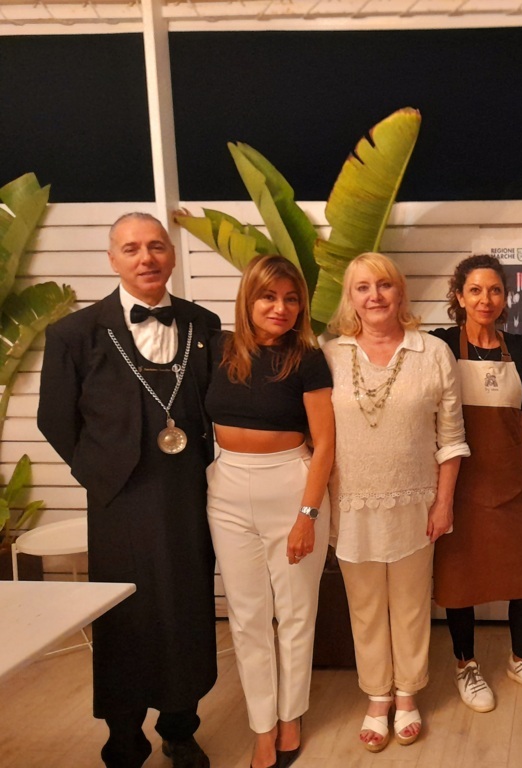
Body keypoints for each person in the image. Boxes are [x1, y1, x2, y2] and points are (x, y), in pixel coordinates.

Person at [37, 212, 219, 768]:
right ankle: (123, 735)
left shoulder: (203, 325)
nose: (146, 258)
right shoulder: (74, 333)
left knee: (186, 608)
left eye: (157, 246)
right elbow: (54, 418)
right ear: (112, 259)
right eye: (132, 248)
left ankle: (180, 729)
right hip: (118, 499)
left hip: (187, 493)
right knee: (124, 613)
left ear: (172, 255)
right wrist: (101, 474)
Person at [323, 252, 470, 751]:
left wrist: (444, 502)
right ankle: (377, 696)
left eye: (384, 285)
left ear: (400, 292)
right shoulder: (329, 355)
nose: (375, 296)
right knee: (364, 608)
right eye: (363, 287)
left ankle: (407, 692)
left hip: (416, 503)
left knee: (409, 604)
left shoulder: (433, 352)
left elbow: (452, 437)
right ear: (350, 297)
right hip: (350, 505)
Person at [204, 255, 334, 768]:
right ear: (248, 299)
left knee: (296, 612)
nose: (280, 307)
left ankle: (290, 715)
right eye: (268, 296)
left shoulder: (308, 358)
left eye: (290, 298)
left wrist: (307, 514)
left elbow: (325, 444)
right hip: (227, 487)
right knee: (247, 616)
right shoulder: (218, 350)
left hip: (291, 484)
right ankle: (262, 723)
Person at [431, 254, 522, 713]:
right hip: (457, 485)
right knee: (459, 579)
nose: (486, 299)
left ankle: (521, 659)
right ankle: (466, 665)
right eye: (475, 290)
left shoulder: (520, 349)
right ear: (459, 297)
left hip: (508, 483)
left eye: (495, 290)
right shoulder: (441, 345)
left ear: (505, 297)